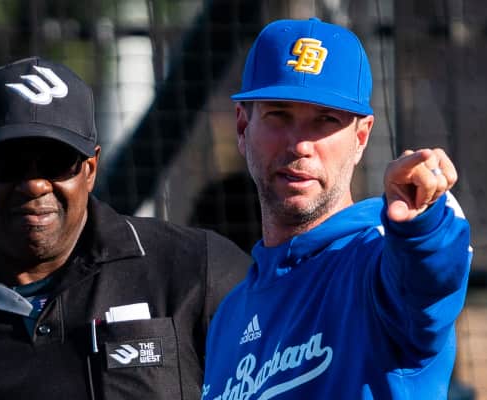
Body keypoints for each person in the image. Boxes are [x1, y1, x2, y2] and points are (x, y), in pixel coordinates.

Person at [201, 17, 472, 399]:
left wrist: (422, 227)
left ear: (361, 137)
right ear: (243, 128)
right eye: (279, 114)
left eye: (325, 121)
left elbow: (426, 278)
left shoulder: (373, 266)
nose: (300, 145)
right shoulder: (229, 317)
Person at [0, 56, 251, 400]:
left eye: (56, 162)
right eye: (8, 163)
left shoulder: (195, 269)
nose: (35, 185)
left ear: (90, 169)